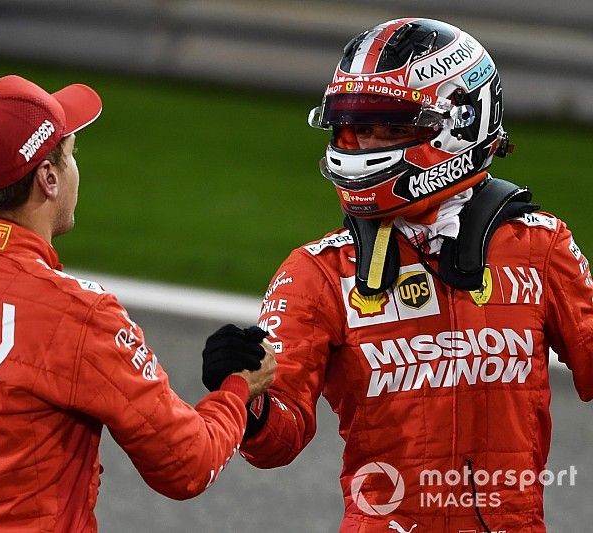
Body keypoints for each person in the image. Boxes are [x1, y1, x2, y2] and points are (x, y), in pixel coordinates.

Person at [0, 74, 276, 532]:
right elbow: (187, 464)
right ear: (47, 178)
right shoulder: (80, 314)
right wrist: (237, 390)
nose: (74, 170)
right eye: (70, 155)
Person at [237, 18, 593, 533]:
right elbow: (278, 441)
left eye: (388, 127)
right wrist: (247, 401)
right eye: (351, 127)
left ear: (462, 125)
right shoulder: (317, 273)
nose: (360, 144)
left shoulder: (541, 247)